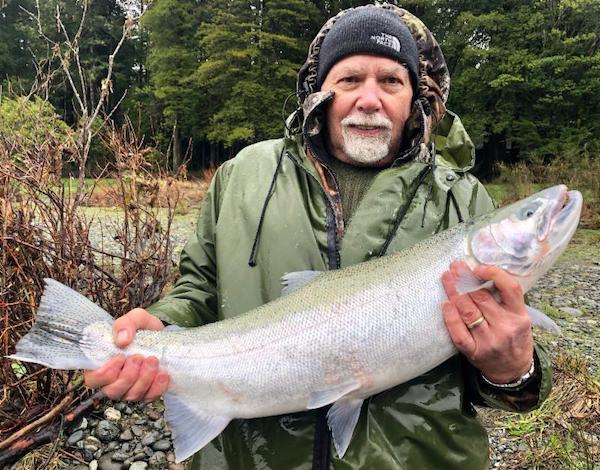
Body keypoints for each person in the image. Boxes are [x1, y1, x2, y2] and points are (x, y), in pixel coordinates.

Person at [85, 4, 552, 469]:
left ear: (416, 96)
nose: (370, 99)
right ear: (319, 92)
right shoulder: (244, 174)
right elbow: (200, 288)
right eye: (349, 79)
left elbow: (506, 371)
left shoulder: (464, 202)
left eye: (391, 81)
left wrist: (514, 372)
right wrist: (164, 327)